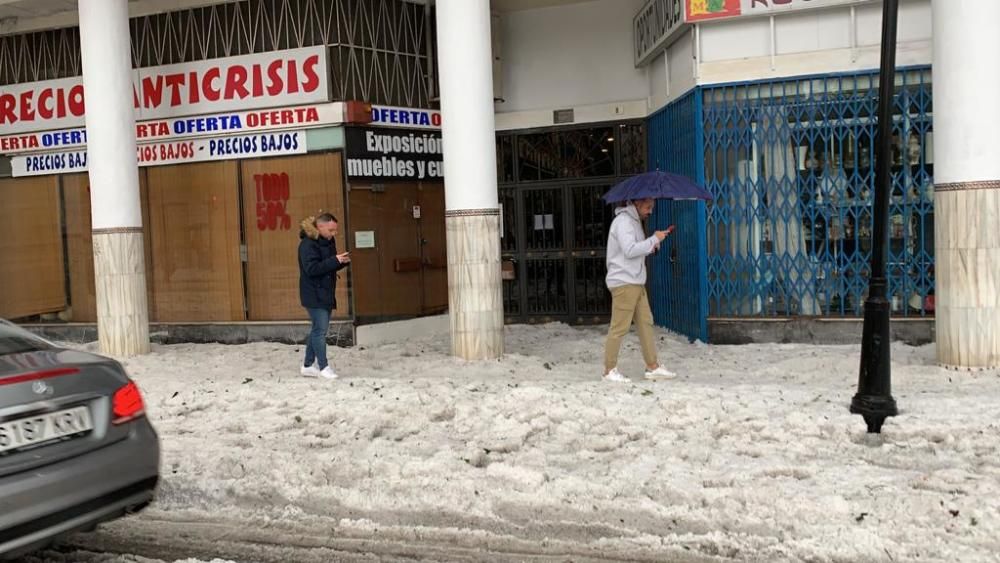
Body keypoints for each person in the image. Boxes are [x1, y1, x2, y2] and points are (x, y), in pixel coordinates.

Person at [603, 198, 677, 383]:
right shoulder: (624, 222)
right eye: (647, 206)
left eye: (651, 207)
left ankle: (652, 366)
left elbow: (634, 250)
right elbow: (629, 250)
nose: (650, 211)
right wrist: (653, 239)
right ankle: (609, 370)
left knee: (645, 323)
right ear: (636, 203)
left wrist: (651, 246)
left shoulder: (633, 222)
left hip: (634, 280)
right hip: (624, 282)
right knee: (619, 327)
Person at [298, 213, 351, 379]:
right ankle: (323, 366)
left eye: (335, 230)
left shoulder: (328, 241)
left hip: (325, 292)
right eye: (331, 230)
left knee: (317, 330)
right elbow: (312, 269)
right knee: (320, 331)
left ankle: (307, 366)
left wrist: (341, 262)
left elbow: (327, 266)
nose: (333, 233)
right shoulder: (307, 244)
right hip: (313, 294)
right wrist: (335, 261)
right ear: (320, 227)